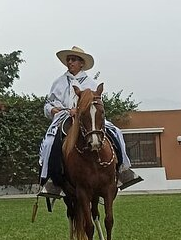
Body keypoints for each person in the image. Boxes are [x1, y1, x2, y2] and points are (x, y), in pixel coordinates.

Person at [38, 46, 142, 198]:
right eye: (68, 59)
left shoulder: (91, 83)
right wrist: (57, 110)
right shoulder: (58, 83)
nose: (70, 62)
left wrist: (81, 111)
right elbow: (48, 104)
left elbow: (98, 105)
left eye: (73, 59)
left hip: (89, 119)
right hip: (65, 118)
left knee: (116, 132)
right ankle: (51, 180)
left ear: (81, 63)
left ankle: (122, 170)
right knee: (49, 142)